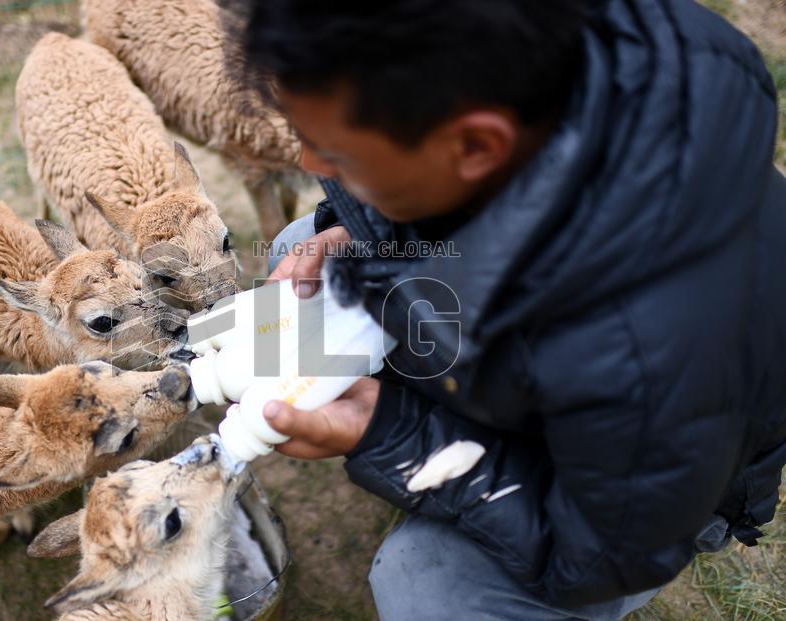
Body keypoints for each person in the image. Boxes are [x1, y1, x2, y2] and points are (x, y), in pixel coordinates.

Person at [220, 0, 786, 619]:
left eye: (339, 153)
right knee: (307, 260)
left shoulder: (648, 351)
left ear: (476, 146)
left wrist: (395, 435)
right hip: (573, 379)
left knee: (428, 588)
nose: (308, 164)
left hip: (635, 506)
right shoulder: (537, 65)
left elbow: (599, 556)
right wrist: (355, 227)